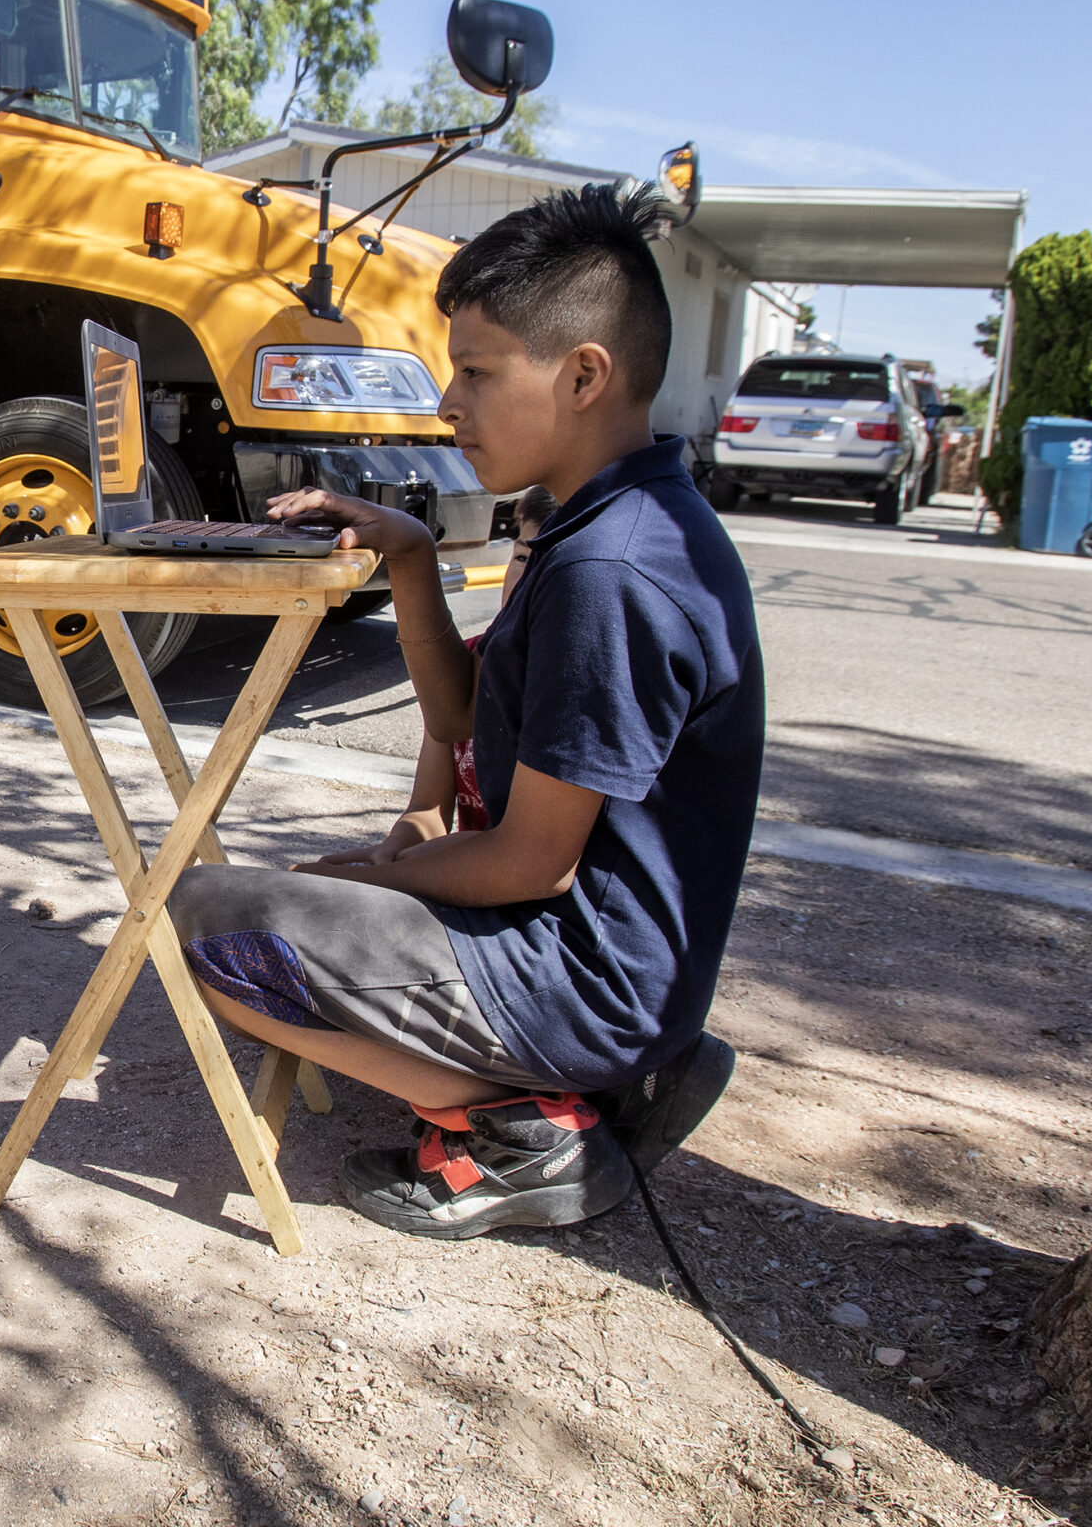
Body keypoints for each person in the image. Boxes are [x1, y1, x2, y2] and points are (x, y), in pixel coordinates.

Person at [169, 183, 762, 1240]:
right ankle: (613, 1076)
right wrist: (407, 556)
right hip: (604, 965)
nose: (449, 401)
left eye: (478, 372)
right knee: (298, 895)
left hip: (581, 975)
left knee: (212, 926)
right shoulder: (604, 522)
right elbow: (459, 718)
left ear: (584, 375)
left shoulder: (610, 572)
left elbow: (531, 863)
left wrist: (381, 871)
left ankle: (524, 1132)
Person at [298, 486, 557, 876]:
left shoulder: (572, 681)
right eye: (521, 556)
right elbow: (428, 809)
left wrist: (394, 874)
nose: (526, 580)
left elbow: (537, 861)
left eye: (552, 566)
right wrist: (394, 849)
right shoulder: (467, 660)